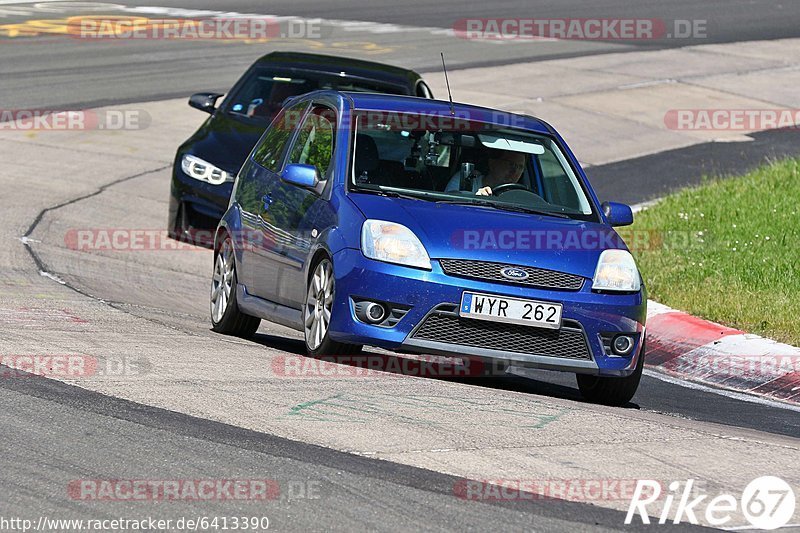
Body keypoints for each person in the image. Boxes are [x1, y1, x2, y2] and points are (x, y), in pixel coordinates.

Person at [445, 149, 526, 196]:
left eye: (520, 167)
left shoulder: (519, 196)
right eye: (511, 164)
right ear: (492, 164)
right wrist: (477, 200)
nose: (515, 171)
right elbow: (452, 208)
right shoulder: (468, 179)